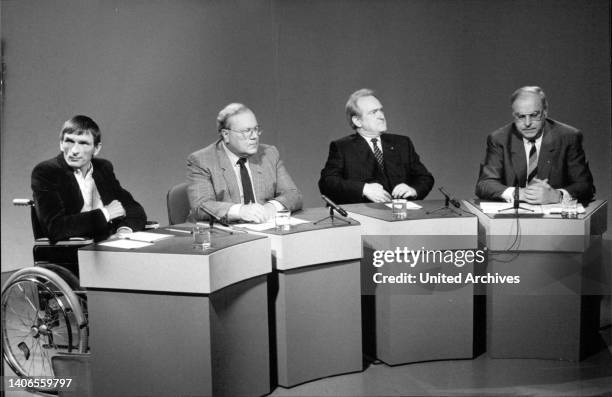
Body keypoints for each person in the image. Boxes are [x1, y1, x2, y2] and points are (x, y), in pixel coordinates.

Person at [32, 115, 147, 242]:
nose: (74, 150)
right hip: (73, 251)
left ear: (96, 149)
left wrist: (124, 231)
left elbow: (134, 209)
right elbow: (55, 228)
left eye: (83, 143)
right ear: (61, 144)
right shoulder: (47, 172)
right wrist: (106, 214)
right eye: (69, 141)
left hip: (109, 244)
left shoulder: (102, 168)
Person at [475, 86, 594, 204]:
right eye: (521, 116)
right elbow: (484, 184)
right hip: (514, 216)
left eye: (534, 115)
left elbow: (585, 186)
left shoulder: (569, 137)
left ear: (545, 113)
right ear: (514, 116)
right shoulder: (499, 139)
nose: (527, 123)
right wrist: (518, 193)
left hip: (555, 216)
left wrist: (558, 196)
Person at [187, 103, 302, 223]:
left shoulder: (269, 154)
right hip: (223, 234)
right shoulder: (202, 160)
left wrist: (271, 207)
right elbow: (201, 206)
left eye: (256, 129)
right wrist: (240, 211)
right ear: (226, 135)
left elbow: (293, 194)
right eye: (247, 131)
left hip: (263, 230)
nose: (254, 137)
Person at [319, 88, 434, 204]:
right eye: (373, 112)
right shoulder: (343, 147)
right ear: (357, 121)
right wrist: (364, 189)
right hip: (364, 217)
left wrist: (413, 190)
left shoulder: (402, 143)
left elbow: (425, 178)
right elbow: (327, 183)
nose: (381, 116)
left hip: (400, 215)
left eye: (381, 110)